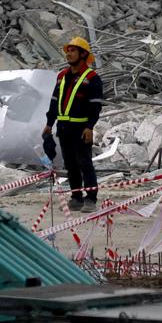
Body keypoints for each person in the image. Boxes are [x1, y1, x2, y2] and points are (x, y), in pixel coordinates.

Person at [43, 36, 103, 208]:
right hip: (63, 127)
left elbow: (95, 106)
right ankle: (76, 197)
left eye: (73, 50)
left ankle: (90, 198)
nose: (68, 54)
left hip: (81, 128)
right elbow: (55, 101)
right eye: (68, 50)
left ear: (83, 54)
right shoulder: (62, 76)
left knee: (84, 162)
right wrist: (49, 123)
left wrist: (89, 127)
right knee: (70, 163)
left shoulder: (92, 77)